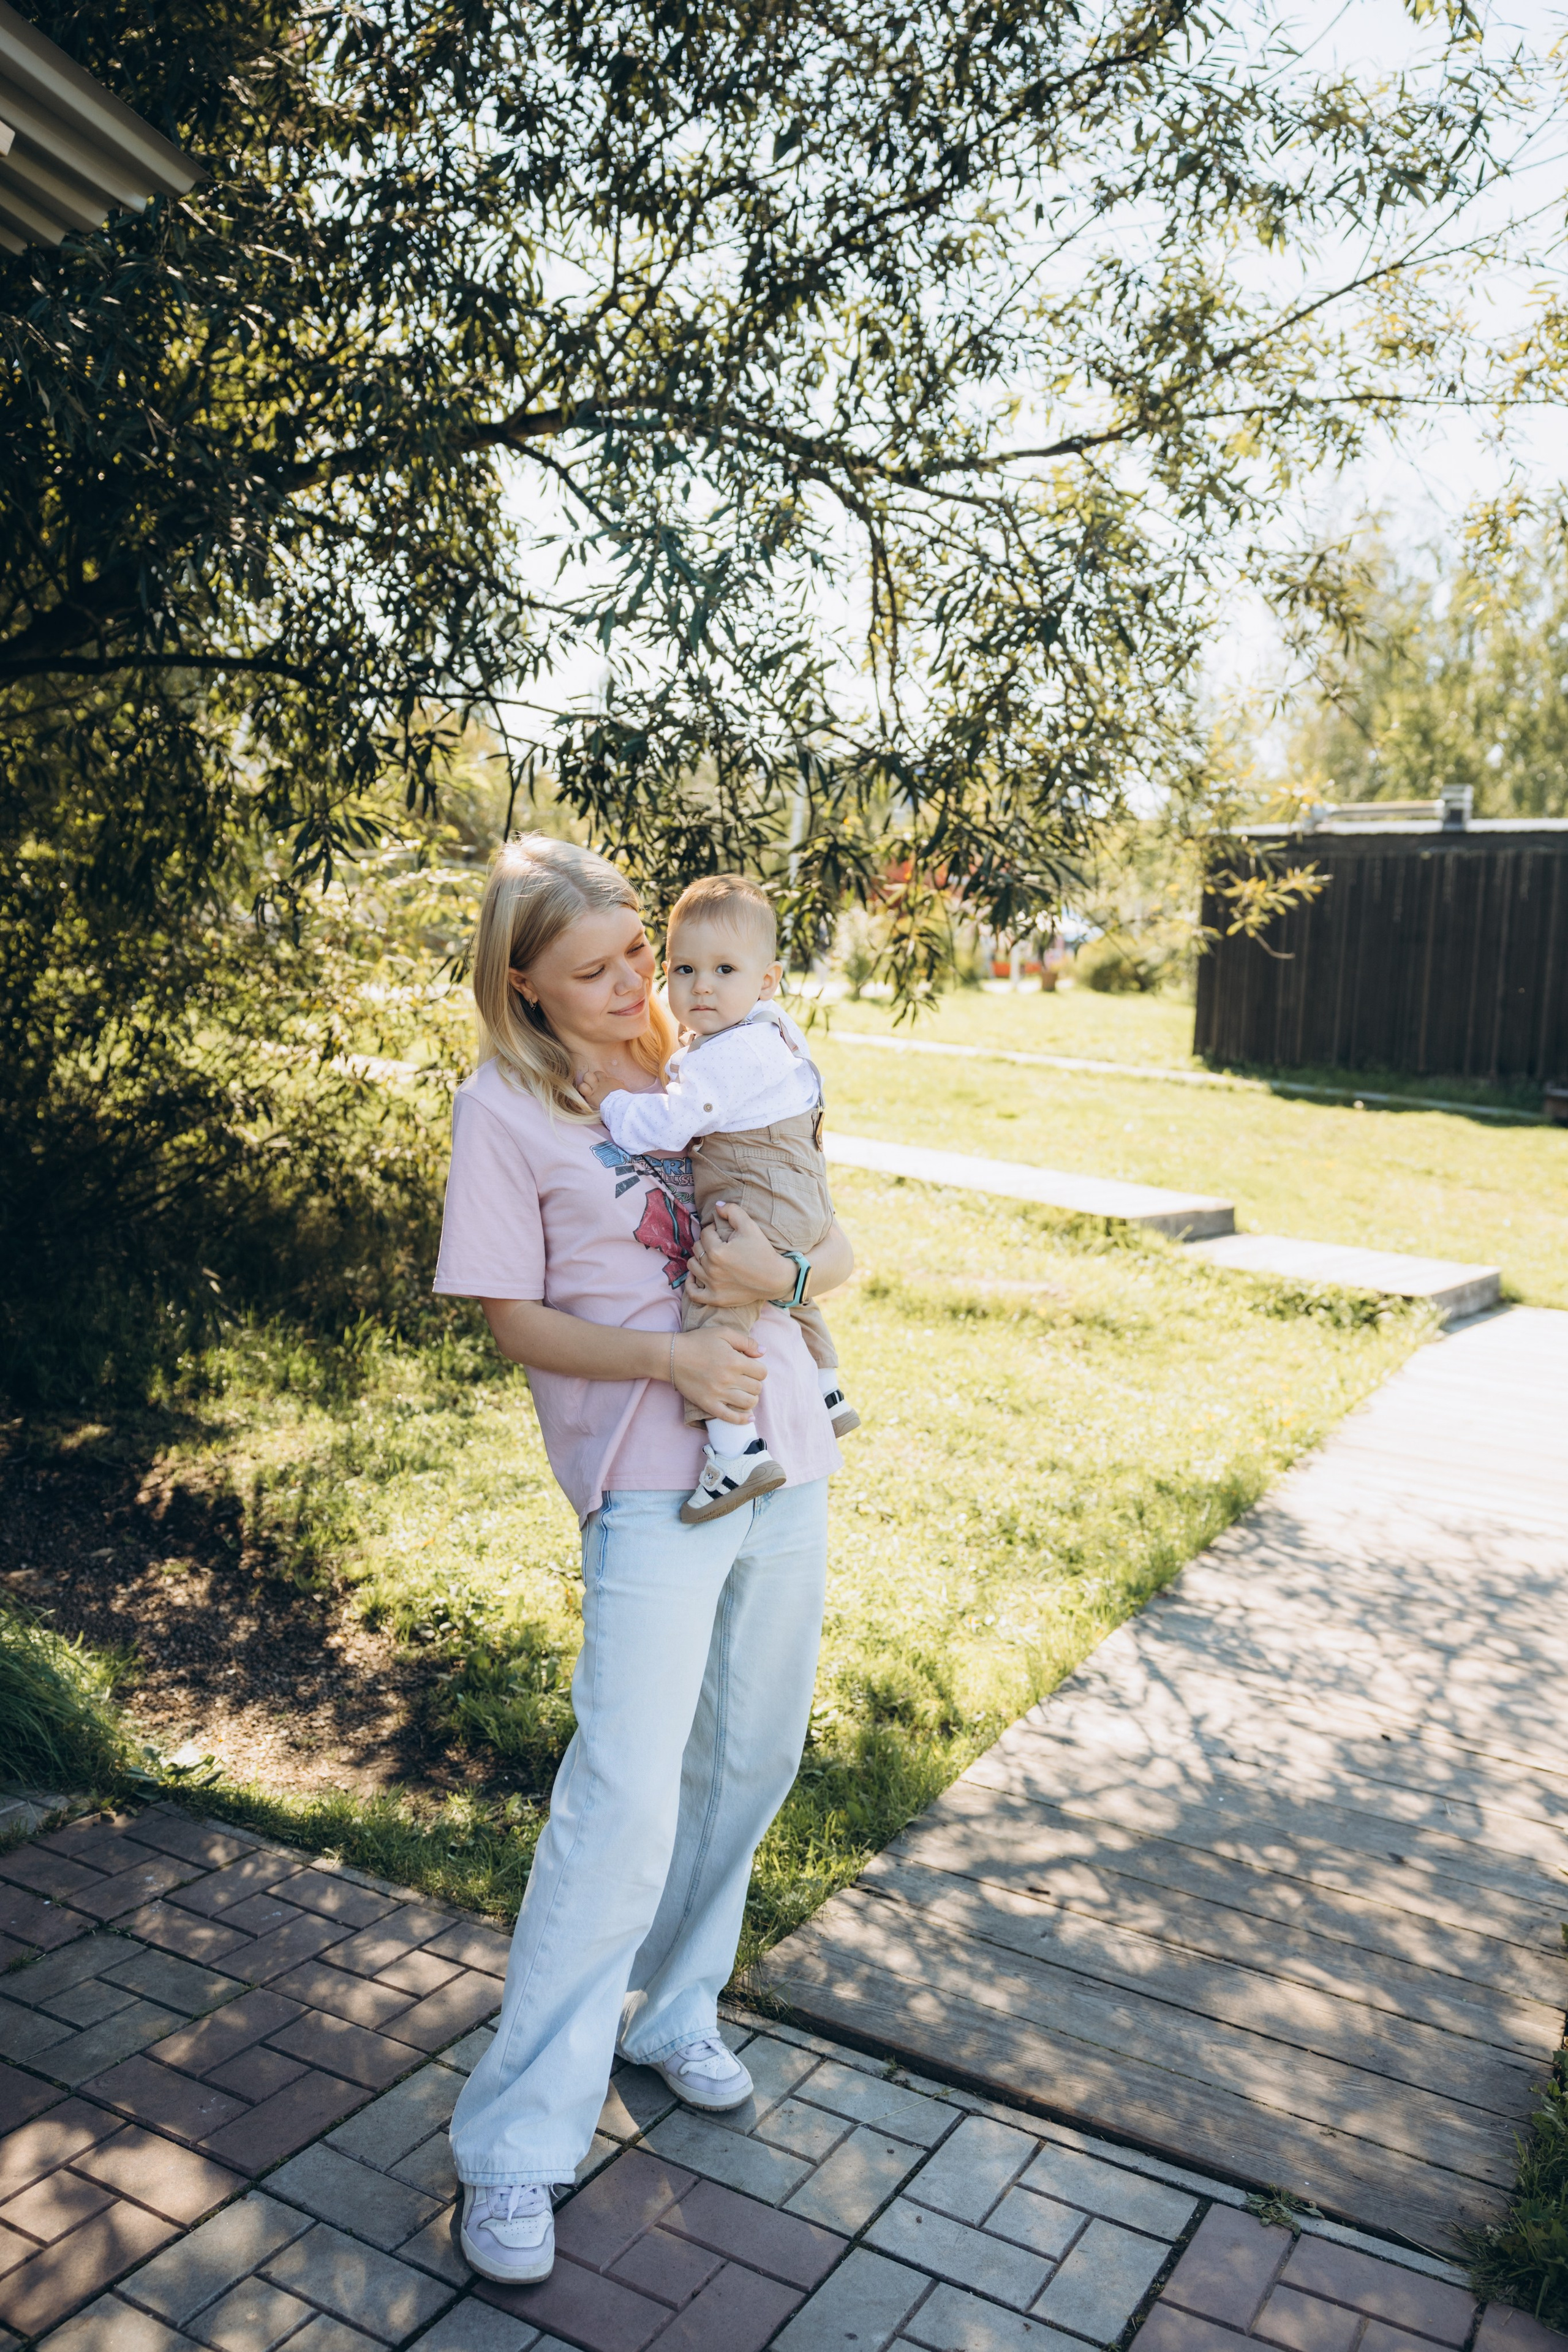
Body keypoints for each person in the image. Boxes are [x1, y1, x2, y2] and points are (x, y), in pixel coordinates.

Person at [430, 835, 853, 2287]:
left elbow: (825, 1235)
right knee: (619, 1797)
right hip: (648, 1484)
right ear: (524, 985)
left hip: (780, 1445)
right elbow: (512, 1320)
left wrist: (783, 1277)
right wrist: (670, 1357)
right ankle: (514, 2144)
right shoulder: (502, 1107)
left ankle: (671, 2010)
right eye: (599, 968)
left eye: (636, 954)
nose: (636, 986)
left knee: (751, 1756)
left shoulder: (710, 1041)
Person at [575, 870, 857, 1529]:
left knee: (715, 1297)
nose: (701, 986)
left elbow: (673, 1124)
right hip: (795, 1189)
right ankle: (827, 1388)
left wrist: (613, 1104)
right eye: (684, 969)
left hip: (758, 1189)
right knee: (785, 1292)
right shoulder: (767, 1031)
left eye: (724, 970)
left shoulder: (728, 1054)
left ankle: (735, 1452)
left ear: (767, 980)